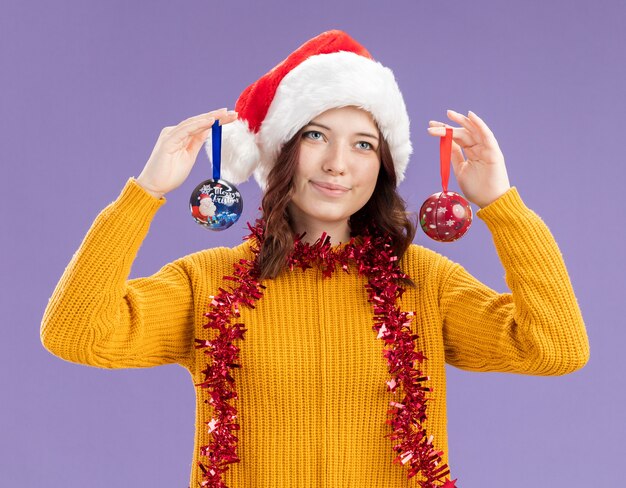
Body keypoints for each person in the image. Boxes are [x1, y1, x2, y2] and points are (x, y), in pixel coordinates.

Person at [40, 30, 590, 488]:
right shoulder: (208, 282)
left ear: (383, 167)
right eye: (315, 135)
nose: (336, 164)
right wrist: (145, 193)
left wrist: (500, 203)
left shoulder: (424, 284)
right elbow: (76, 334)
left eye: (362, 144)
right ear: (279, 152)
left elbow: (555, 347)